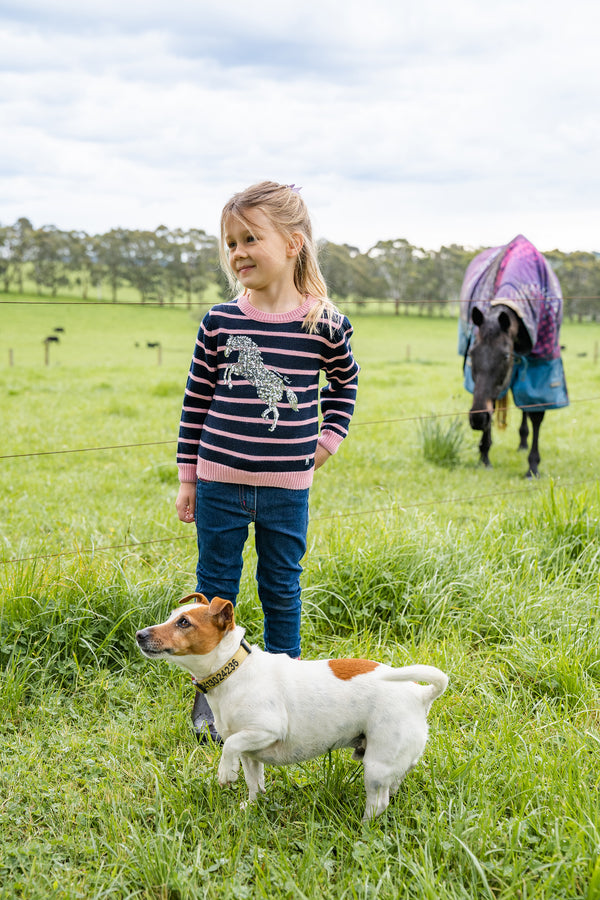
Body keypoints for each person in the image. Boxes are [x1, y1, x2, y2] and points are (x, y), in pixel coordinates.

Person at [175, 181, 360, 742]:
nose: (238, 253)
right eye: (231, 243)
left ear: (294, 244)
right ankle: (213, 696)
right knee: (214, 589)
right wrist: (188, 477)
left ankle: (287, 691)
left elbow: (345, 388)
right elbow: (196, 401)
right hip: (218, 484)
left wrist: (325, 444)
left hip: (286, 489)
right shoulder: (220, 323)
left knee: (281, 585)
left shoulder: (323, 324)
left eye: (251, 238)